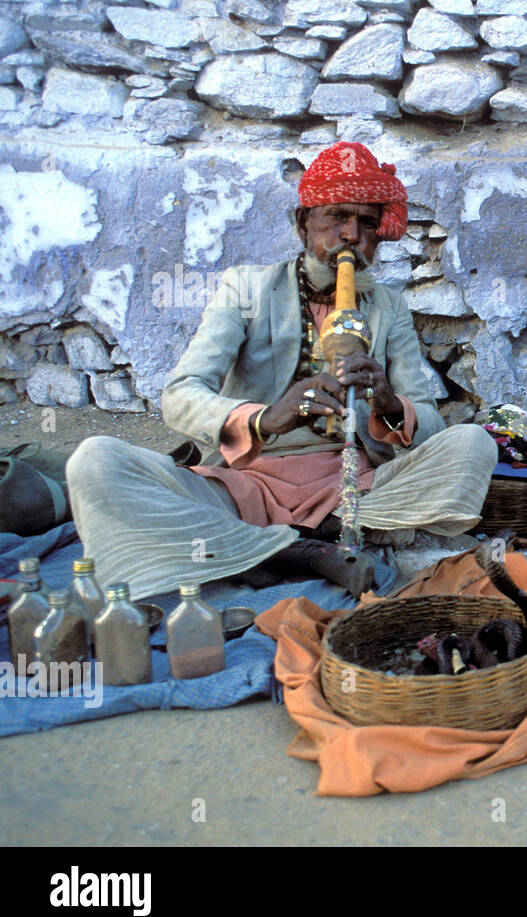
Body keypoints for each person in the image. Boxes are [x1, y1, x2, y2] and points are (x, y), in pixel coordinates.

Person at [66, 142, 497, 600]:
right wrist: (262, 418)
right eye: (336, 217)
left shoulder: (388, 306)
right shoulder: (246, 288)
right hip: (248, 483)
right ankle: (298, 551)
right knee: (96, 461)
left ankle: (272, 544)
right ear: (302, 224)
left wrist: (390, 404)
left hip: (353, 487)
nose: (351, 235)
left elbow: (429, 422)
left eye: (366, 223)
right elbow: (180, 396)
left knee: (472, 444)